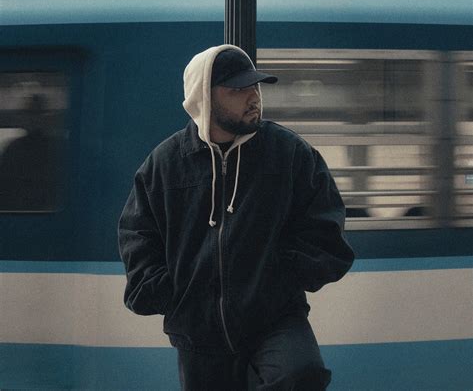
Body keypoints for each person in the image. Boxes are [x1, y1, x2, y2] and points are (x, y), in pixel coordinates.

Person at [118, 44, 355, 390]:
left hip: (275, 319)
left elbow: (325, 226)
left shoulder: (289, 153)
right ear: (205, 98)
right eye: (237, 90)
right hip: (198, 333)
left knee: (301, 374)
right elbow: (137, 234)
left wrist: (279, 277)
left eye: (254, 87)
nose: (253, 97)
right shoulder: (165, 164)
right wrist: (171, 294)